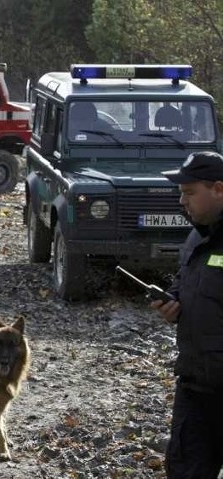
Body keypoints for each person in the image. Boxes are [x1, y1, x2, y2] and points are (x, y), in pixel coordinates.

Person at [153, 151, 223, 478]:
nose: (182, 201)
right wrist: (173, 302)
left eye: (189, 192)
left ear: (219, 189)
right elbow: (184, 284)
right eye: (181, 193)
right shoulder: (197, 237)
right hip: (195, 389)